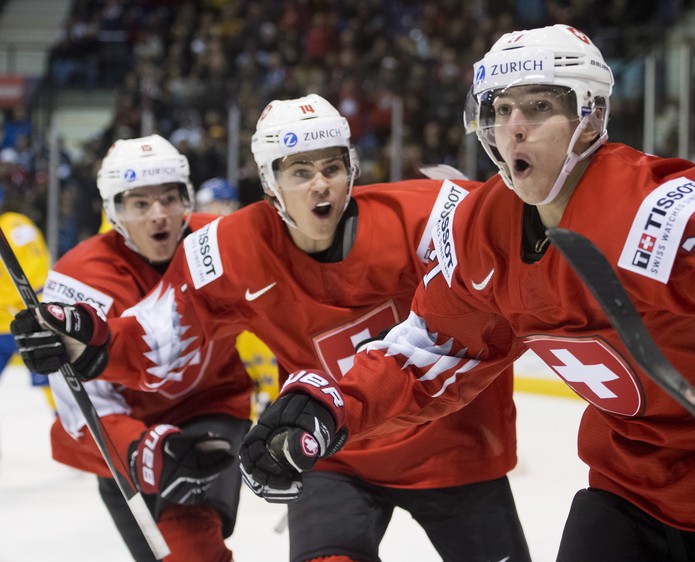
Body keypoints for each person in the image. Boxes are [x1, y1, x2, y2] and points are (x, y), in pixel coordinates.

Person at [239, 25, 695, 562]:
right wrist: (329, 405)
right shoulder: (479, 231)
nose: (514, 130)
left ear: (590, 116)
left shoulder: (669, 214)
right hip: (628, 494)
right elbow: (435, 348)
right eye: (501, 111)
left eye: (539, 108)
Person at [21, 96, 529, 562]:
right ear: (269, 183)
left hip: (453, 451)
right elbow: (161, 337)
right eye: (300, 171)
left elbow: (494, 304)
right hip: (330, 452)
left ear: (351, 169)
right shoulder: (227, 249)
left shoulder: (430, 215)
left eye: (331, 167)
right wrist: (92, 342)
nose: (320, 184)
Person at [11, 134, 252, 562]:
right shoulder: (79, 278)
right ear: (114, 212)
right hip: (124, 432)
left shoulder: (218, 243)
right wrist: (138, 450)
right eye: (140, 204)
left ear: (188, 199)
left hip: (208, 408)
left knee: (189, 549)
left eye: (169, 199)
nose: (159, 215)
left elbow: (284, 303)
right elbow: (78, 402)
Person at [194, 176, 278, 419]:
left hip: (255, 316)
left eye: (208, 204)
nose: (202, 211)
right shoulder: (201, 241)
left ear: (226, 204)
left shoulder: (243, 234)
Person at [0, 201, 55, 413]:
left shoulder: (13, 226)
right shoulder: (19, 223)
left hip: (27, 317)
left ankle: (73, 435)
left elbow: (31, 276)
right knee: (55, 384)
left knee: (55, 384)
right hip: (28, 315)